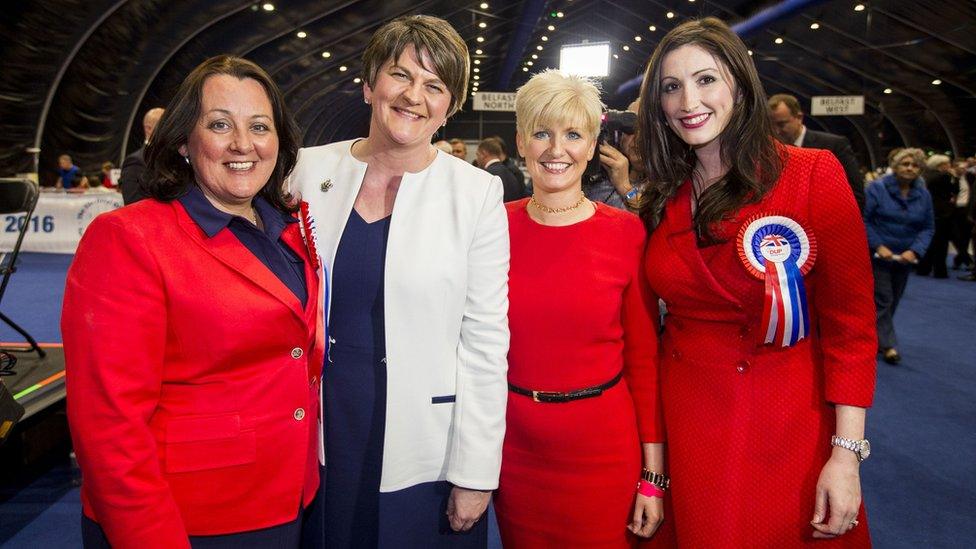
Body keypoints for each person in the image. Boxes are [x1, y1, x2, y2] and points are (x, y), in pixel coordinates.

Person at [62, 55, 322, 548]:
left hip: (291, 502)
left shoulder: (287, 230)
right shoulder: (127, 238)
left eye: (260, 126)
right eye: (220, 125)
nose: (243, 144)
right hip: (189, 519)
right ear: (184, 141)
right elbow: (109, 428)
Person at [636, 17, 876, 546]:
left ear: (740, 86)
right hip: (686, 423)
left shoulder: (813, 173)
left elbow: (852, 328)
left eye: (705, 80)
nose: (687, 100)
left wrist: (846, 454)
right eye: (671, 87)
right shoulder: (659, 194)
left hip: (784, 422)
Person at [289, 15, 509, 548]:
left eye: (435, 85)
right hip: (318, 429)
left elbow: (485, 341)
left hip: (426, 444)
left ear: (450, 105)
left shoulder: (477, 193)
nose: (414, 96)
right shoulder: (303, 171)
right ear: (369, 85)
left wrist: (476, 472)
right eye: (400, 75)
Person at [493, 69, 664, 547]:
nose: (556, 149)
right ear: (521, 142)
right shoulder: (491, 228)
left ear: (592, 146)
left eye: (573, 134)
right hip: (513, 454)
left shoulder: (626, 233)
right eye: (541, 133)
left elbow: (645, 364)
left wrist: (653, 476)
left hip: (603, 456)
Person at [864, 148, 934, 365]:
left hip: (905, 258)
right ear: (895, 166)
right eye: (905, 164)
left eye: (914, 165)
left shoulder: (924, 194)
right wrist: (878, 245)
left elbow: (927, 227)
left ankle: (873, 338)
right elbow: (864, 219)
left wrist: (915, 250)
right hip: (879, 256)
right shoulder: (877, 188)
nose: (909, 168)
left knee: (893, 299)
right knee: (883, 298)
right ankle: (889, 345)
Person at [769, 93, 864, 210]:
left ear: (799, 118)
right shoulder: (772, 151)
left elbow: (856, 193)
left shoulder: (833, 145)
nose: (776, 131)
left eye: (781, 124)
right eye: (771, 125)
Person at [585, 99, 645, 212]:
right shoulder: (598, 161)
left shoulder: (670, 182)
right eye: (631, 127)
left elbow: (654, 223)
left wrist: (625, 187)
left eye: (647, 130)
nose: (638, 138)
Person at [916, 154, 955, 278]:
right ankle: (940, 271)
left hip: (927, 211)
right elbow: (954, 189)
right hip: (942, 213)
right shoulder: (945, 176)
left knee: (928, 242)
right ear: (941, 165)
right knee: (942, 243)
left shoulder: (924, 176)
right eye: (947, 164)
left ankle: (923, 267)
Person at [119, 106, 165, 204]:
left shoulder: (176, 157)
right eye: (164, 124)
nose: (170, 128)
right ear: (149, 128)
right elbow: (133, 204)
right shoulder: (136, 161)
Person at [476, 137, 525, 201]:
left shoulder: (486, 175)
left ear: (484, 153)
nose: (476, 159)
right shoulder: (511, 173)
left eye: (477, 154)